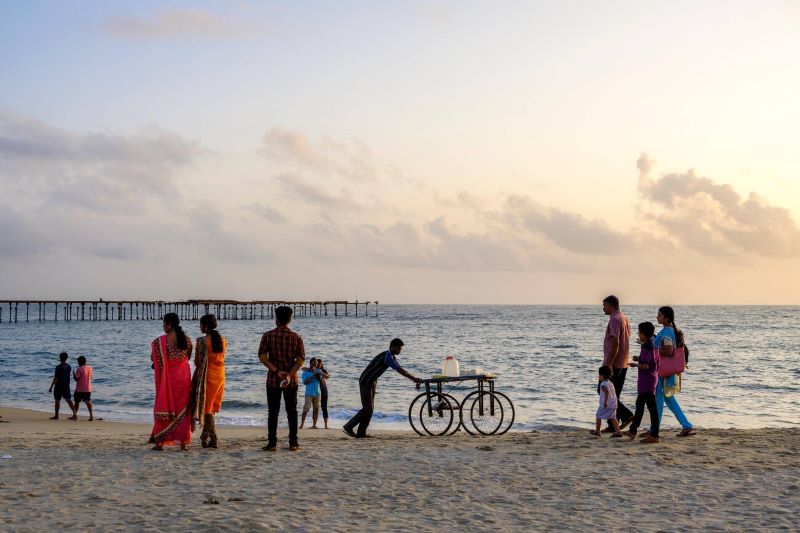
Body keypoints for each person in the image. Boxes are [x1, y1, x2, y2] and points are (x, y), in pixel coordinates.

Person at [343, 338, 421, 439]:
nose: (400, 351)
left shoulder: (390, 356)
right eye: (398, 348)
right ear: (392, 346)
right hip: (366, 381)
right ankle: (348, 426)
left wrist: (413, 379)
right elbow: (400, 370)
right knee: (367, 409)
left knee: (370, 410)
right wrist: (414, 379)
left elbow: (399, 367)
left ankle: (361, 433)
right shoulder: (387, 356)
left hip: (372, 381)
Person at [258, 305, 305, 451]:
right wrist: (289, 374)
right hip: (291, 380)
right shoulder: (296, 337)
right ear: (290, 319)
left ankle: (272, 443)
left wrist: (277, 371)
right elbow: (301, 359)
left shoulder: (268, 335)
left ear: (276, 319)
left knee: (273, 412)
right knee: (292, 411)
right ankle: (293, 442)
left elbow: (262, 357)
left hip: (273, 379)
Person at [645, 306, 696, 438]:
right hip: (667, 370)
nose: (657, 317)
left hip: (663, 370)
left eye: (660, 315)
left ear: (666, 318)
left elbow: (669, 350)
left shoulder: (667, 331)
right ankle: (686, 425)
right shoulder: (670, 330)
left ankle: (654, 429)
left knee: (659, 398)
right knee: (668, 398)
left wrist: (653, 350)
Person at [150, 312, 194, 451]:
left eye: (164, 323)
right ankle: (184, 443)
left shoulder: (159, 342)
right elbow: (188, 357)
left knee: (163, 407)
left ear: (169, 324)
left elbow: (153, 359)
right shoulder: (187, 340)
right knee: (184, 410)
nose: (163, 326)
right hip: (184, 378)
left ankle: (160, 442)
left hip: (168, 380)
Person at [192, 314, 226, 449]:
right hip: (220, 375)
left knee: (207, 409)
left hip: (207, 375)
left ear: (205, 326)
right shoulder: (222, 340)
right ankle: (205, 437)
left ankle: (213, 438)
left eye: (200, 324)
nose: (199, 327)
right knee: (210, 408)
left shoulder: (201, 341)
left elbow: (197, 362)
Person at [601, 295, 634, 432]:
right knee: (616, 393)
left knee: (602, 389)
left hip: (614, 362)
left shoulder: (615, 319)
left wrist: (608, 363)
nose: (603, 308)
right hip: (624, 361)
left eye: (604, 305)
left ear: (611, 305)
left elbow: (616, 342)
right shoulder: (624, 318)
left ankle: (627, 415)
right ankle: (612, 425)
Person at [624, 322, 660, 443]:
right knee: (642, 406)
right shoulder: (653, 344)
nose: (638, 335)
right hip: (652, 378)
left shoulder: (645, 346)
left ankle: (654, 435)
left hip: (646, 381)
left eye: (639, 333)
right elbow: (652, 361)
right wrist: (638, 358)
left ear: (644, 334)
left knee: (648, 407)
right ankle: (633, 430)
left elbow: (646, 365)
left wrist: (636, 365)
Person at [590, 366, 622, 438]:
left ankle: (598, 431)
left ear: (601, 375)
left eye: (599, 375)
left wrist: (605, 402)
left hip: (606, 404)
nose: (599, 377)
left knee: (598, 416)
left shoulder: (603, 384)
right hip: (613, 404)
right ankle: (618, 431)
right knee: (613, 417)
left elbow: (607, 392)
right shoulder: (610, 383)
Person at [48, 352, 75, 420]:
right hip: (66, 385)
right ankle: (74, 413)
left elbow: (56, 378)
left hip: (59, 386)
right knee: (68, 400)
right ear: (66, 358)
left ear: (60, 358)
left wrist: (51, 386)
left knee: (57, 400)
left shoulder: (58, 367)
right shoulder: (69, 366)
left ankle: (56, 416)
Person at [299, 358, 322, 429]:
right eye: (314, 363)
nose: (315, 364)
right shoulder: (305, 372)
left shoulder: (319, 370)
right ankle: (302, 425)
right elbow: (305, 382)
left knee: (316, 409)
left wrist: (318, 375)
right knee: (305, 409)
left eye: (316, 363)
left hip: (317, 393)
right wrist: (312, 376)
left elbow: (321, 380)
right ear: (310, 363)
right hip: (309, 393)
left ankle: (314, 425)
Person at [71, 356, 94, 421]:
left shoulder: (79, 369)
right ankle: (91, 415)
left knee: (77, 402)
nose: (78, 363)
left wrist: (73, 374)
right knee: (88, 401)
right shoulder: (90, 367)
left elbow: (76, 379)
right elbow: (91, 377)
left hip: (79, 389)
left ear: (80, 362)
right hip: (88, 388)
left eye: (78, 362)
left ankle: (74, 416)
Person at [317, 358, 330, 429]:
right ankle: (314, 424)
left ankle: (326, 425)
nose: (319, 364)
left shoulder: (323, 370)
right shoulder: (313, 370)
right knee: (316, 407)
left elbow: (328, 376)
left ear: (322, 364)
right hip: (316, 391)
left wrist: (321, 373)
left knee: (324, 407)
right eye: (317, 363)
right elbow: (304, 369)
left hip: (324, 391)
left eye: (320, 363)